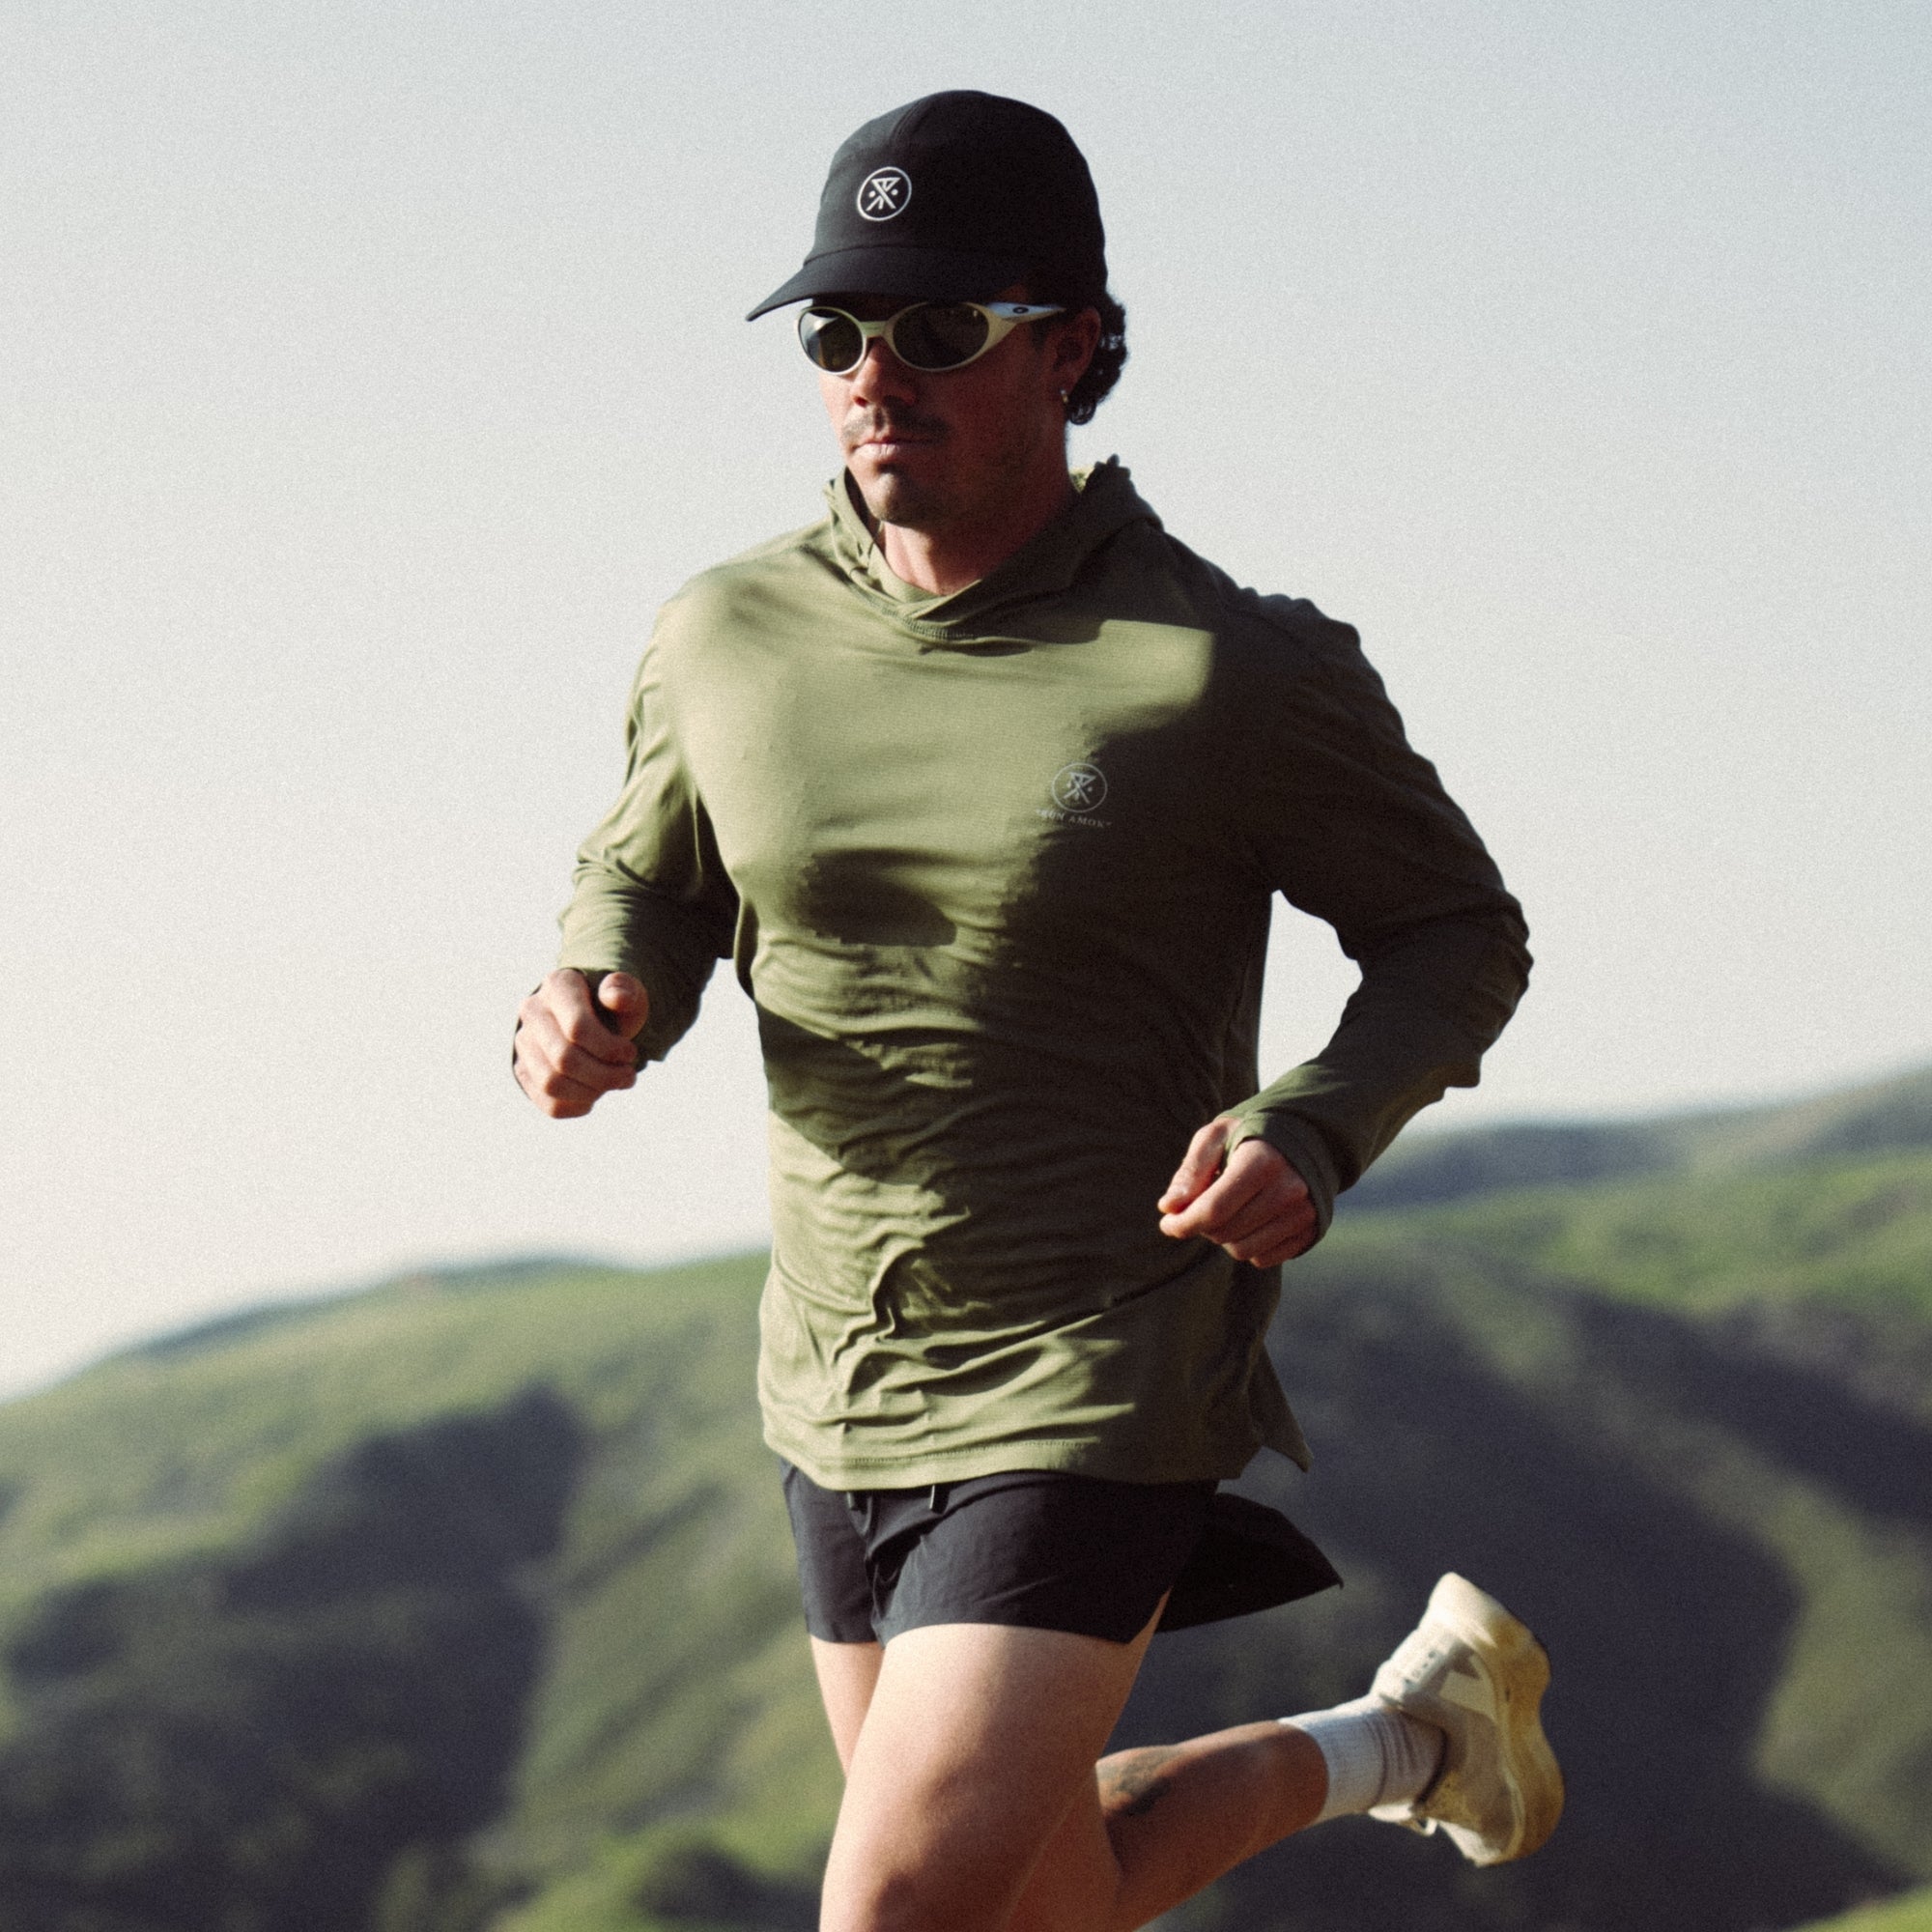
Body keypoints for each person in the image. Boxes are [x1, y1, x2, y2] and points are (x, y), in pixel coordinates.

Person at [514, 90, 1559, 1932]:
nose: (870, 376)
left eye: (936, 330)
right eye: (837, 334)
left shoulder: (1226, 668)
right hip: (833, 1377)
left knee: (898, 1908)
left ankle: (1408, 1743)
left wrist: (1315, 1125)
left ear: (1073, 348)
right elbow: (651, 875)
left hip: (1099, 1368)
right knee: (1033, 1899)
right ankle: (1413, 1741)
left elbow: (1455, 934)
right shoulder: (723, 633)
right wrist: (600, 996)